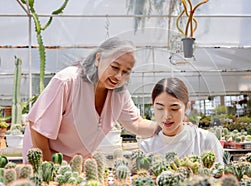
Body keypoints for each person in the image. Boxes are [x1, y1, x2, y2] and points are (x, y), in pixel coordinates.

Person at [22, 37, 157, 162]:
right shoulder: (67, 81)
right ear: (98, 59)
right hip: (44, 159)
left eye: (126, 71)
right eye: (114, 67)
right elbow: (37, 126)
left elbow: (136, 123)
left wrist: (169, 126)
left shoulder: (119, 94)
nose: (118, 76)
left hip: (75, 164)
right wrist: (49, 168)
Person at [139, 78, 224, 164]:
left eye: (174, 109)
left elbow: (221, 174)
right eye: (160, 108)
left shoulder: (205, 140)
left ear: (187, 107)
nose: (166, 116)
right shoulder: (147, 148)